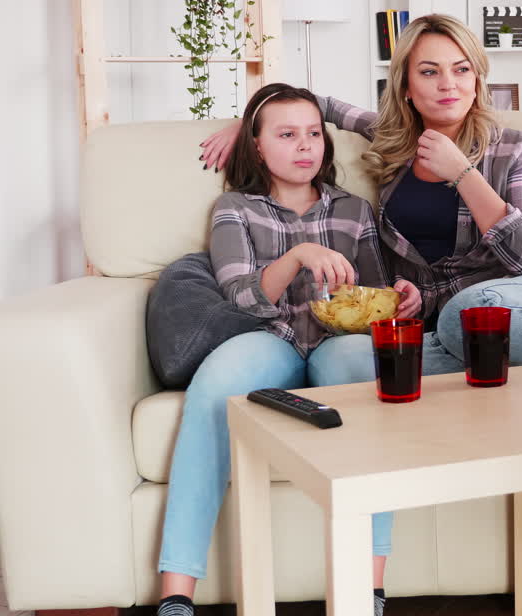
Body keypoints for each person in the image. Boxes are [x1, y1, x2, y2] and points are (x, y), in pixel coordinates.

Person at [200, 14, 522, 385]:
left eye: (461, 69)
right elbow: (317, 106)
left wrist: (466, 175)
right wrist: (248, 124)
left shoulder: (514, 149)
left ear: (477, 78)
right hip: (443, 321)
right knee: (345, 365)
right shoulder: (394, 142)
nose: (447, 84)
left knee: (473, 311)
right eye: (429, 71)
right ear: (406, 85)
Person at [158, 84, 411, 616]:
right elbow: (240, 298)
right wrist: (298, 255)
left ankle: (369, 589)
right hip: (265, 337)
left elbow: (372, 297)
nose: (305, 146)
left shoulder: (354, 210)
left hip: (337, 342)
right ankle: (176, 595)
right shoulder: (234, 209)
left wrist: (396, 303)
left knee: (369, 377)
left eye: (314, 134)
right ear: (257, 147)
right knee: (211, 394)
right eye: (287, 134)